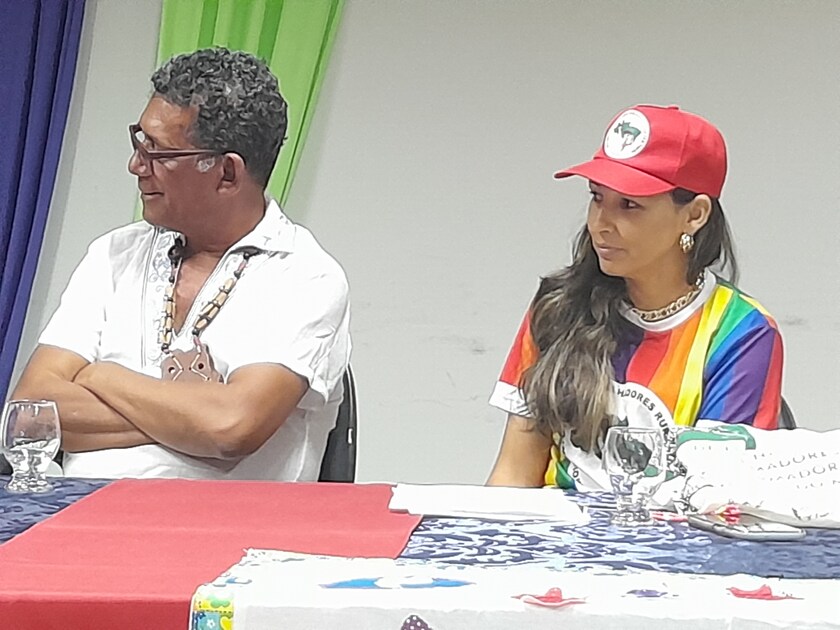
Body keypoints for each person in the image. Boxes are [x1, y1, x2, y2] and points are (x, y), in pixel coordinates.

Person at [11, 48, 351, 481]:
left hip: (226, 523)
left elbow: (230, 428)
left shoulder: (304, 276)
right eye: (140, 141)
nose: (136, 165)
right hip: (80, 513)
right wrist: (191, 420)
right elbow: (30, 415)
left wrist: (101, 376)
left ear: (227, 173)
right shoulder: (113, 254)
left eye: (158, 152)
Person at [486, 104, 783, 490]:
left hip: (677, 530)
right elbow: (513, 476)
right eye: (597, 198)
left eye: (630, 205)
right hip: (552, 529)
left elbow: (717, 500)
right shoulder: (558, 306)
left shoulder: (742, 333)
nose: (601, 224)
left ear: (695, 215)